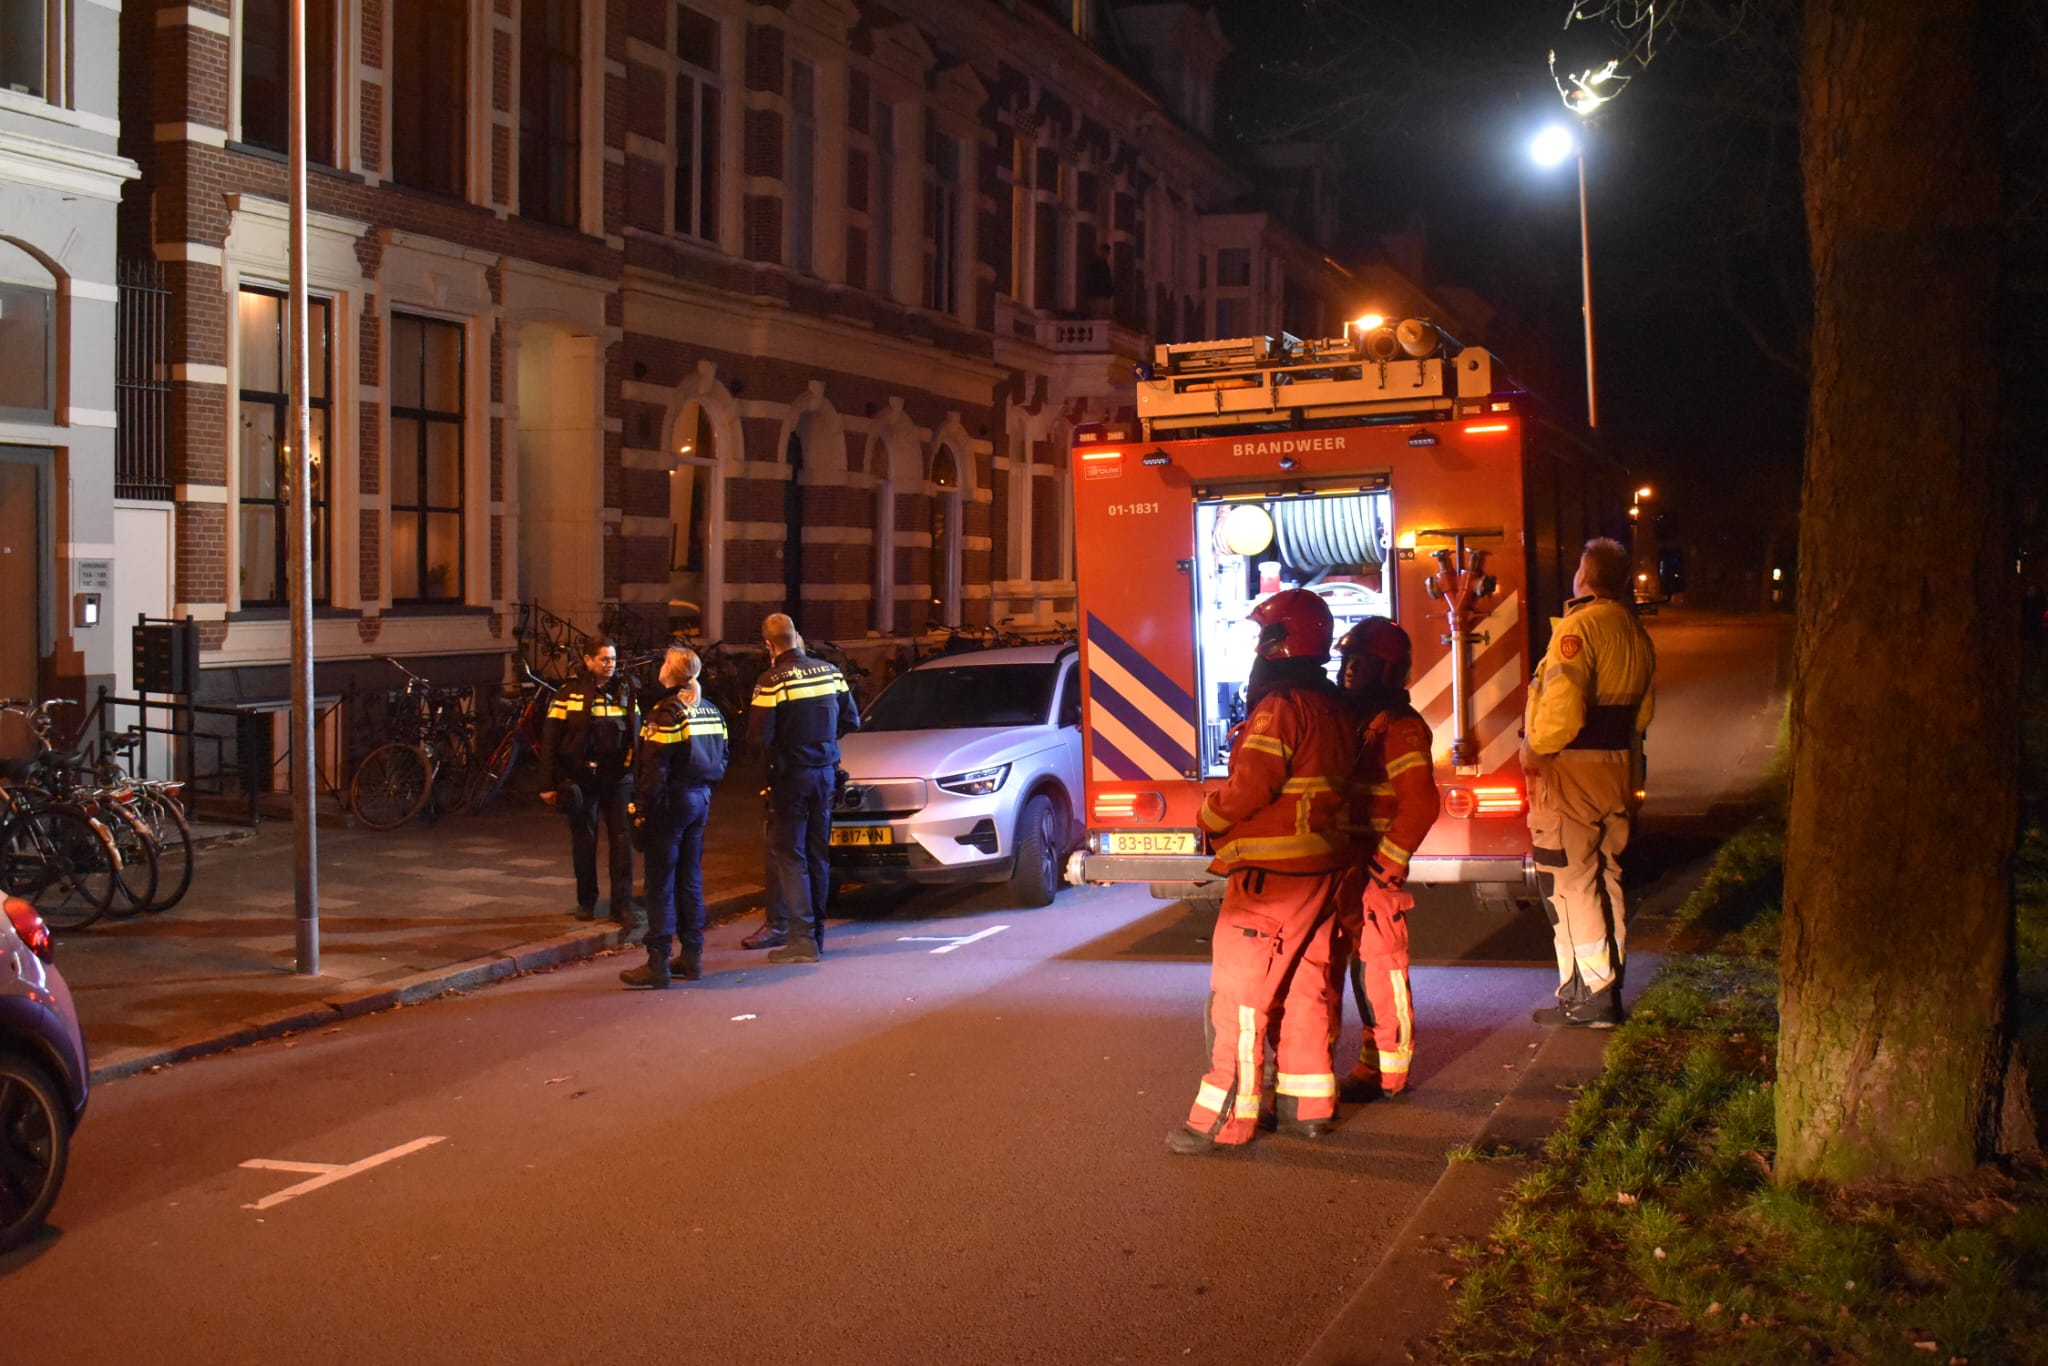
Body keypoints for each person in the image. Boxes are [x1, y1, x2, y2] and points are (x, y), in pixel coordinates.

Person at [1169, 589, 1360, 1155]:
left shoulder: (1281, 708)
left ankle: (1224, 1120)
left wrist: (1207, 814)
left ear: (1283, 641)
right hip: (1322, 868)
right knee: (1307, 989)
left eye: (1265, 635)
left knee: (1240, 1000)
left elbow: (1252, 786)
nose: (1258, 647)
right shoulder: (1333, 706)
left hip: (1270, 878)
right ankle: (1308, 1108)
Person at [1522, 537, 1657, 1028]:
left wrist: (1536, 750)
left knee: (1569, 882)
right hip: (1618, 768)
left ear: (1586, 576)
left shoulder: (1577, 629)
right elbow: (1642, 713)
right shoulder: (1633, 630)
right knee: (1607, 875)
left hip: (1573, 773)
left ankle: (1590, 995)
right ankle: (1609, 983)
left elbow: (1561, 708)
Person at [1332, 618, 1441, 1100]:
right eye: (1346, 661)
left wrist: (1385, 868)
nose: (1349, 671)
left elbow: (1420, 804)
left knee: (1379, 969)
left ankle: (1389, 1074)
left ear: (1388, 670)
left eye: (1361, 663)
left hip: (1374, 867)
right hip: (1347, 863)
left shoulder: (1401, 727)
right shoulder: (1355, 718)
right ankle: (1369, 1064)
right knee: (1357, 969)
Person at [744, 613, 859, 965]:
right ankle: (817, 937)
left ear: (769, 644)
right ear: (796, 636)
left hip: (791, 777)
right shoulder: (830, 672)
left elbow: (757, 738)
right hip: (826, 773)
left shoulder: (771, 681)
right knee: (816, 855)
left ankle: (801, 939)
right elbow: (851, 720)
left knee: (790, 856)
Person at [620, 642, 729, 990]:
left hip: (672, 803)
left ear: (674, 672)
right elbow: (724, 758)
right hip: (701, 800)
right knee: (690, 879)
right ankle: (692, 957)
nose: (660, 666)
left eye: (664, 661)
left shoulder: (666, 713)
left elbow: (653, 771)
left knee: (660, 884)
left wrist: (642, 812)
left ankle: (658, 963)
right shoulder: (711, 710)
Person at [538, 637, 643, 938]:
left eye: (612, 659)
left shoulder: (626, 690)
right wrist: (548, 783)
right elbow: (550, 740)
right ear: (588, 660)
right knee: (584, 840)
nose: (610, 665)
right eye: (604, 659)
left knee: (622, 841)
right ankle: (587, 902)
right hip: (582, 779)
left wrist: (638, 775)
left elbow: (638, 733)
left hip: (618, 779)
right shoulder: (568, 693)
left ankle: (622, 905)